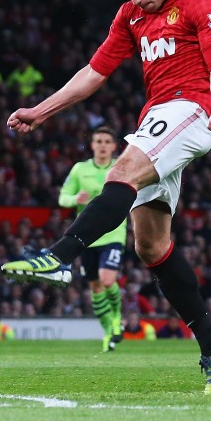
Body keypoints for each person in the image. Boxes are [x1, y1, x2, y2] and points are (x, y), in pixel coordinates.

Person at [1, 0, 211, 395]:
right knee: (151, 247)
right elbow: (94, 72)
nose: (134, 1)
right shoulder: (130, 15)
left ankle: (60, 256)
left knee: (120, 174)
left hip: (192, 109)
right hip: (157, 116)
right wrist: (41, 110)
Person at [59, 125, 126, 352]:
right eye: (98, 141)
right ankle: (108, 332)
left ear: (114, 146)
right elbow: (63, 198)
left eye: (107, 142)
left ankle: (117, 318)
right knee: (96, 288)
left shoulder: (121, 166)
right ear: (92, 145)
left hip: (114, 233)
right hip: (86, 236)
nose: (103, 146)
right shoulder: (80, 169)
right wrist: (75, 199)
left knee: (108, 281)